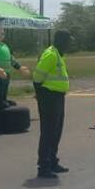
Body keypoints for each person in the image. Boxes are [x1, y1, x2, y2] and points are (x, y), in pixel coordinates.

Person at [32, 30, 72, 179]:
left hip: (57, 96)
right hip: (49, 96)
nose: (70, 44)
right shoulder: (50, 54)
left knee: (56, 130)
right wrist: (39, 94)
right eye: (68, 41)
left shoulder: (58, 54)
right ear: (61, 41)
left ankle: (53, 161)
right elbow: (37, 77)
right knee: (48, 132)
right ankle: (44, 166)